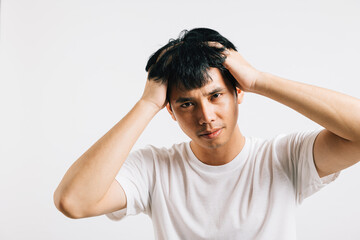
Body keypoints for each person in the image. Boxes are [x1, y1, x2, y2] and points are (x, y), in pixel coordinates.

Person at [54, 28, 360, 239]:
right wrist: (147, 103)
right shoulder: (154, 169)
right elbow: (73, 201)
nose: (205, 117)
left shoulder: (284, 158)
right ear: (170, 111)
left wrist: (259, 79)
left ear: (238, 93)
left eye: (215, 96)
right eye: (186, 104)